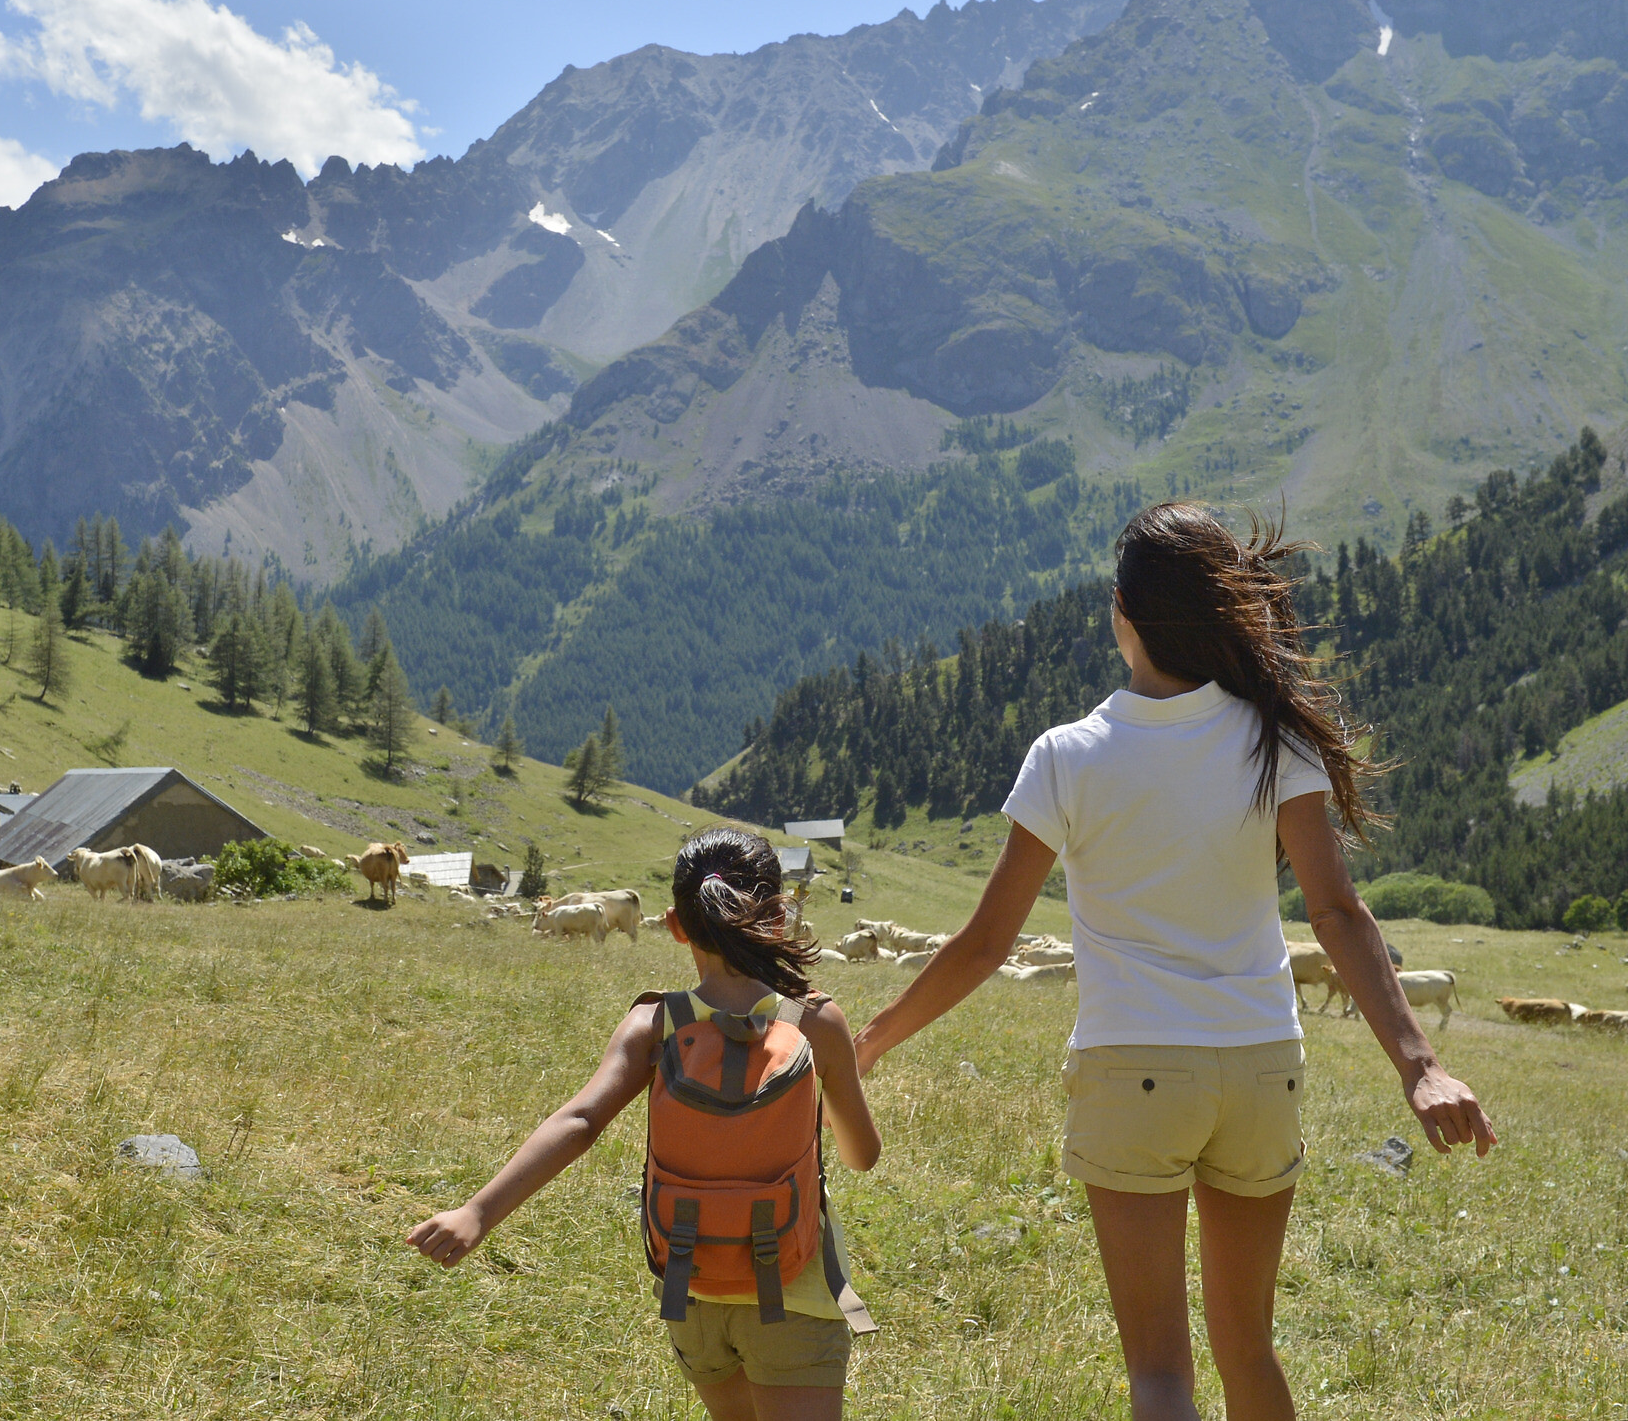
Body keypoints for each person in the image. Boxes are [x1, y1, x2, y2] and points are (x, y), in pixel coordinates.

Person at [855, 502, 1497, 1421]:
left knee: (1160, 1373)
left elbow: (987, 943)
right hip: (1261, 1068)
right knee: (1250, 1352)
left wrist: (872, 1042)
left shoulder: (1067, 756)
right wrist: (1420, 1065)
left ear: (1123, 612)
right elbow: (1337, 913)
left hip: (1134, 1068)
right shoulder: (1275, 739)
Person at [408, 829, 882, 1421]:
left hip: (692, 1283)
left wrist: (476, 1213)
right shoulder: (816, 1020)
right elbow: (862, 1155)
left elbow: (581, 1120)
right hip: (796, 1294)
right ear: (778, 916)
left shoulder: (655, 1022)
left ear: (677, 925)